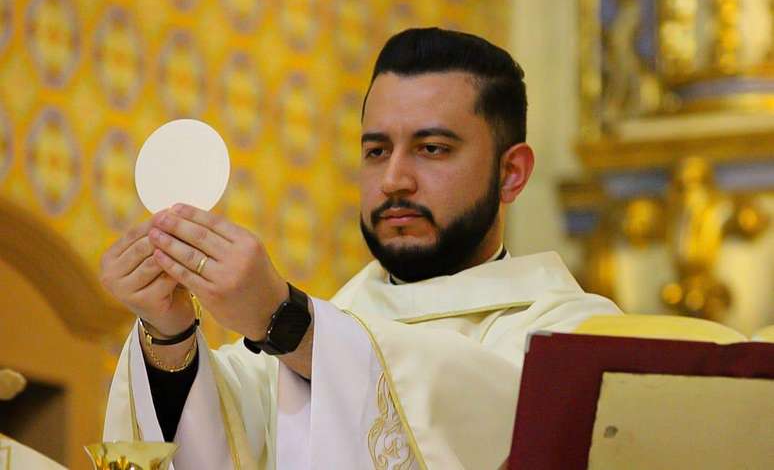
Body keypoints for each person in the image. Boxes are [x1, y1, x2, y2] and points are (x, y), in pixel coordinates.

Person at [100, 28, 620, 469]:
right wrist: (168, 330)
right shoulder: (322, 333)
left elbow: (500, 414)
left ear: (511, 173)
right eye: (376, 150)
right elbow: (210, 443)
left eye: (431, 148)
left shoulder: (575, 335)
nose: (394, 179)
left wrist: (286, 321)